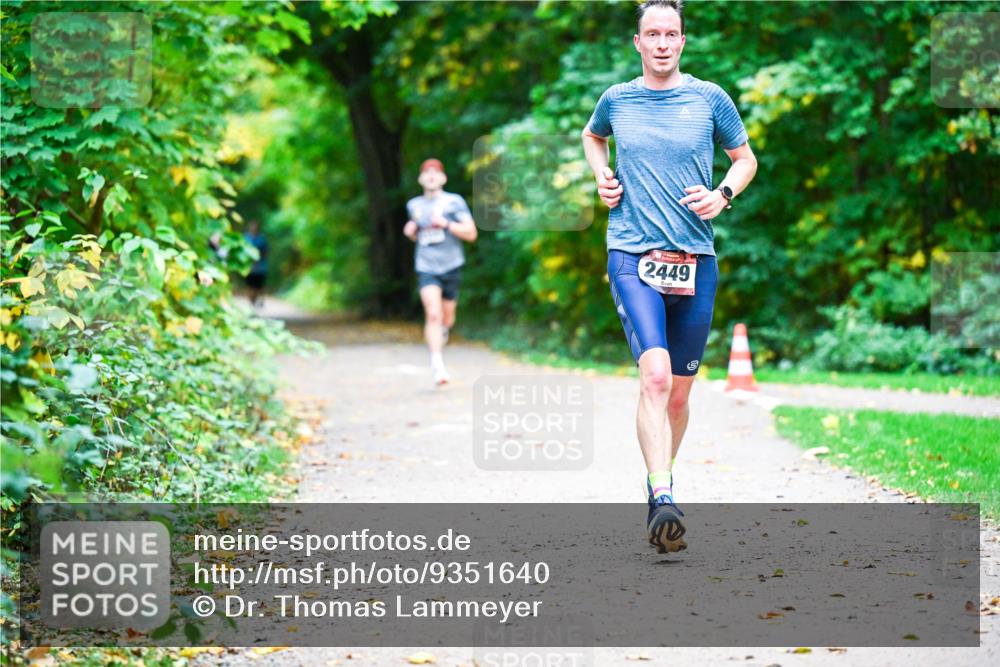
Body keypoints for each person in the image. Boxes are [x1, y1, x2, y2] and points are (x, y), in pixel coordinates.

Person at [581, 0, 757, 552]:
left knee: (679, 394)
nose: (661, 42)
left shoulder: (710, 99)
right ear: (638, 43)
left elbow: (745, 159)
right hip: (631, 253)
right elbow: (593, 137)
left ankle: (662, 481)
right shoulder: (617, 100)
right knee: (654, 376)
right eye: (651, 34)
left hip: (695, 259)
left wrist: (722, 194)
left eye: (670, 34)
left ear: (682, 41)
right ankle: (662, 497)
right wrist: (602, 176)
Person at [403, 159, 478, 386]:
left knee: (447, 317)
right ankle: (437, 365)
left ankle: (443, 331)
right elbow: (419, 235)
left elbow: (471, 233)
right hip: (426, 266)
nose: (431, 175)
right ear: (421, 179)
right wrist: (411, 232)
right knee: (432, 314)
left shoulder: (454, 202)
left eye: (436, 172)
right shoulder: (414, 205)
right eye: (427, 172)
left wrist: (445, 224)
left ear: (443, 178)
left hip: (451, 264)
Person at [243, 221, 268, 309]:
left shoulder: (261, 239)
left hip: (260, 267)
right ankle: (252, 304)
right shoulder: (245, 238)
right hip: (248, 267)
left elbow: (266, 252)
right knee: (250, 286)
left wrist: (258, 259)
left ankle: (260, 300)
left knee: (259, 287)